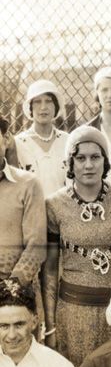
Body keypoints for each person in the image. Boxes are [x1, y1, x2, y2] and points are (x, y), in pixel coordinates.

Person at [42, 127, 111, 366]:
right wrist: (51, 326)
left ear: (106, 160)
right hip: (74, 311)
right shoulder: (54, 204)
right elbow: (50, 270)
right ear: (70, 163)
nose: (89, 165)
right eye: (80, 158)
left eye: (95, 157)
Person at [0, 124, 47, 303]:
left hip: (15, 294)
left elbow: (36, 246)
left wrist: (9, 290)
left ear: (6, 139)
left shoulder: (28, 184)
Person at [12, 80, 70, 198]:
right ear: (30, 107)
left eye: (48, 101)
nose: (43, 107)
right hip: (30, 208)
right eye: (37, 102)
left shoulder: (68, 141)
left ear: (56, 106)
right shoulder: (18, 143)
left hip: (64, 206)